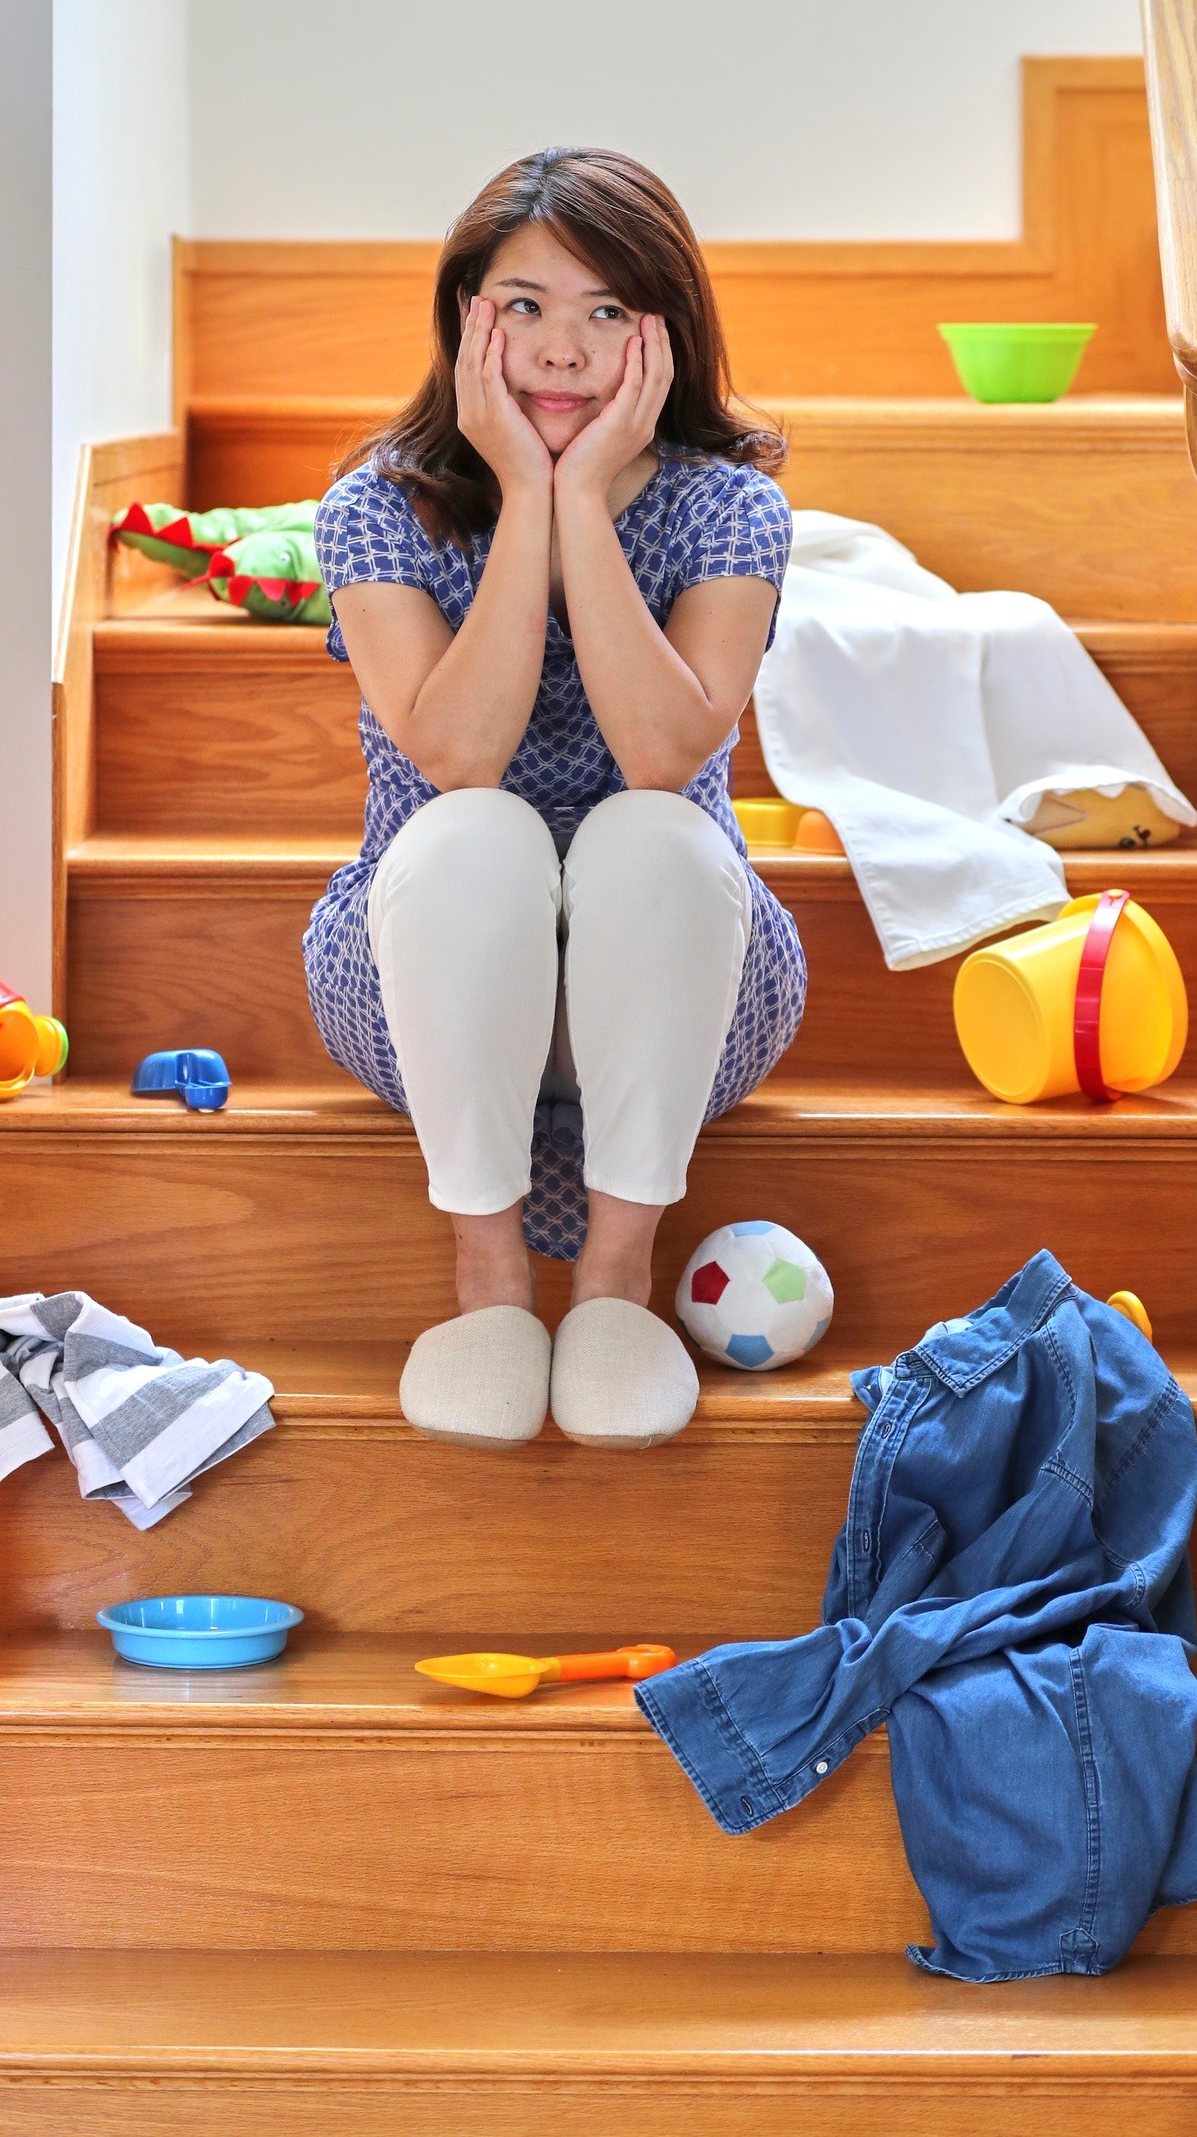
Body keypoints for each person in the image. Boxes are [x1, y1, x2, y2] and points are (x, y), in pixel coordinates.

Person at [303, 146, 806, 1452]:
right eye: (522, 305)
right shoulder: (374, 507)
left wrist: (582, 494)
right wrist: (521, 491)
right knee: (475, 827)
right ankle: (485, 1288)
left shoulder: (730, 508)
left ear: (665, 330)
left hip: (683, 981)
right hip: (429, 978)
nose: (561, 349)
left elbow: (659, 752)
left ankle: (615, 1282)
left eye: (604, 312)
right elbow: (455, 756)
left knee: (649, 830)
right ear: (464, 318)